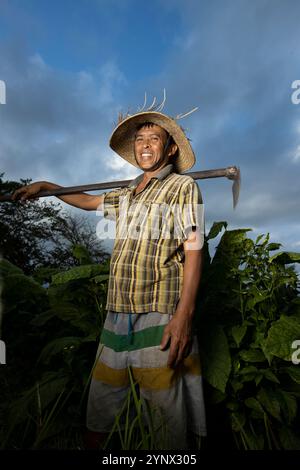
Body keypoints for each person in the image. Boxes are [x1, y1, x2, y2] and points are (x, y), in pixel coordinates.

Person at [12, 107, 206, 450]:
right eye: (140, 139)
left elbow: (193, 249)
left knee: (164, 423)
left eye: (154, 139)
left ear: (170, 148)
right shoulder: (126, 193)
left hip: (159, 311)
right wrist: (46, 186)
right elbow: (87, 201)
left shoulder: (182, 187)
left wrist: (184, 315)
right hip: (117, 316)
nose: (145, 145)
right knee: (100, 414)